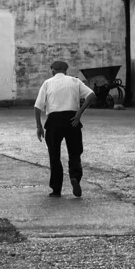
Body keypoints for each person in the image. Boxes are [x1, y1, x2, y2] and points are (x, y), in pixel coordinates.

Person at [34, 60, 96, 198]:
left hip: (54, 121)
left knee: (54, 155)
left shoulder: (47, 83)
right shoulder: (74, 81)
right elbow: (91, 95)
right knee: (75, 152)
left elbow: (37, 107)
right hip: (72, 119)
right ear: (66, 70)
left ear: (52, 70)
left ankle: (56, 190)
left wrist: (39, 126)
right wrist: (79, 114)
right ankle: (75, 177)